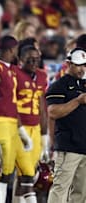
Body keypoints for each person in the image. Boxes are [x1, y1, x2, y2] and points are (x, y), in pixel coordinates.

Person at [0, 35, 34, 203]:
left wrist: (22, 132)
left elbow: (12, 104)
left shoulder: (9, 69)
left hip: (11, 124)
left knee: (10, 171)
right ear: (11, 50)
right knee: (0, 171)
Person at [46, 47, 86, 203]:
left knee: (81, 193)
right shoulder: (59, 86)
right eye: (78, 65)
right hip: (68, 146)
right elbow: (53, 112)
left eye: (84, 65)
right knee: (60, 188)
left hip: (84, 146)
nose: (82, 69)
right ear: (68, 64)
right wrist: (77, 101)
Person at [13, 45, 49, 202]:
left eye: (37, 59)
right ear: (20, 59)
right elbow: (10, 104)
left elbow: (42, 109)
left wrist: (45, 138)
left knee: (28, 176)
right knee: (27, 174)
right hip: (18, 128)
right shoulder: (14, 73)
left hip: (35, 128)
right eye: (30, 59)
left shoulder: (41, 76)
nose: (34, 62)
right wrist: (20, 130)